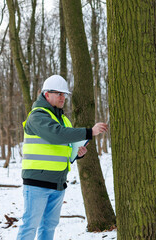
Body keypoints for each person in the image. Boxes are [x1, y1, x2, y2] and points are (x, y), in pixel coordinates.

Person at [16, 75, 107, 240]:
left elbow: (62, 146)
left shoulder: (63, 119)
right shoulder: (37, 115)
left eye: (64, 94)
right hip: (37, 184)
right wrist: (89, 132)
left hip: (57, 183)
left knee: (48, 227)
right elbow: (56, 135)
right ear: (46, 94)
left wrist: (76, 154)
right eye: (58, 93)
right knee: (30, 226)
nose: (62, 97)